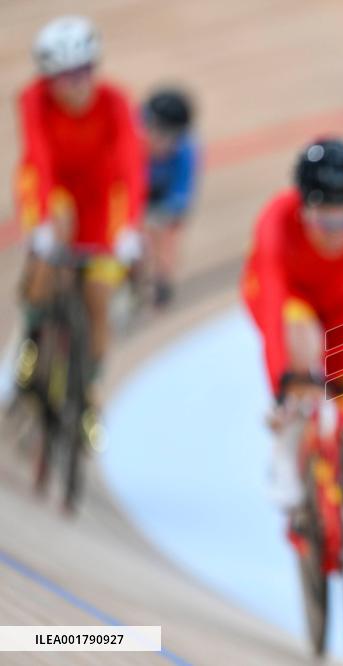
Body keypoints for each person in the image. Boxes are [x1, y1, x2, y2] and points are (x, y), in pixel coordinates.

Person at [242, 137, 343, 516]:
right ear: (303, 209)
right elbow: (273, 306)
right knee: (302, 342)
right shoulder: (276, 220)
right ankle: (287, 444)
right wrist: (283, 384)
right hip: (290, 302)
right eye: (323, 220)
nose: (336, 233)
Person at [15, 15, 145, 438]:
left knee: (99, 296)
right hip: (54, 190)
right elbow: (39, 157)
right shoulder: (33, 99)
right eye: (64, 77)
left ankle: (88, 389)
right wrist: (43, 225)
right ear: (48, 79)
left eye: (84, 72)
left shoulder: (116, 102)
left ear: (96, 67)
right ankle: (31, 345)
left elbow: (130, 166)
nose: (76, 85)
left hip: (99, 198)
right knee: (46, 268)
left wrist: (127, 227)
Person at [142, 87, 199, 308]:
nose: (160, 142)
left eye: (169, 137)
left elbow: (181, 198)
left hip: (163, 196)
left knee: (165, 233)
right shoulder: (130, 134)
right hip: (136, 188)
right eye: (154, 131)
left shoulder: (186, 151)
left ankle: (162, 280)